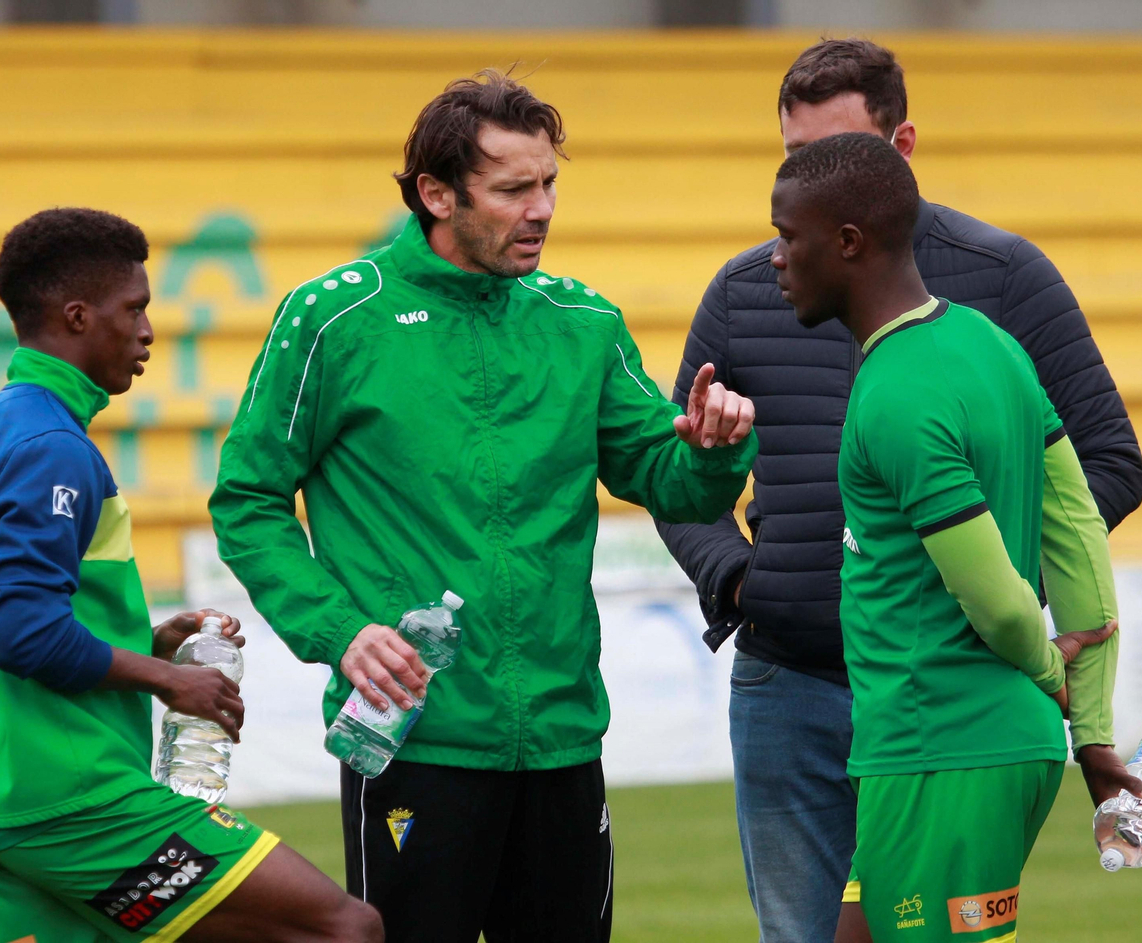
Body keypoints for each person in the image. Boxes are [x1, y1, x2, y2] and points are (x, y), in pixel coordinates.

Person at [209, 71, 756, 943]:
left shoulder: (582, 320)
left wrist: (717, 450)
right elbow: (248, 499)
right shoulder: (334, 317)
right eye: (512, 189)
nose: (540, 209)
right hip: (413, 740)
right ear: (435, 192)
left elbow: (669, 478)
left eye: (548, 184)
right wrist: (340, 629)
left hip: (563, 735)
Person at [653, 38, 1142, 942]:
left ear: (901, 149)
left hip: (946, 697)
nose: (806, 184)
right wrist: (740, 582)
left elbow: (1104, 468)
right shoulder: (748, 288)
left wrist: (980, 586)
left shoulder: (1003, 285)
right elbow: (676, 478)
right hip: (790, 685)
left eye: (832, 156)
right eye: (793, 159)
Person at [0, 207, 381, 943]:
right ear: (77, 317)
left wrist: (147, 639)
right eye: (134, 309)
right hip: (72, 799)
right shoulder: (52, 446)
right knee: (342, 927)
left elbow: (14, 613)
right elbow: (20, 630)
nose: (147, 330)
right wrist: (170, 680)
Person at [771, 131, 1142, 943]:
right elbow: (1077, 532)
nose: (774, 257)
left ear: (846, 243)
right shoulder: (992, 344)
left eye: (786, 236)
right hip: (967, 743)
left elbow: (997, 599)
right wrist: (1092, 731)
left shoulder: (896, 394)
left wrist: (1053, 670)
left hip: (939, 744)